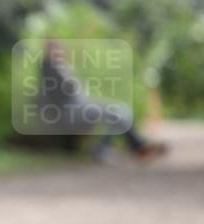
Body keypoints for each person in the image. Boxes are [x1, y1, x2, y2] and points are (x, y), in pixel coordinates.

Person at [39, 40, 168, 162]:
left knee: (120, 111)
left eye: (58, 49)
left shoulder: (62, 67)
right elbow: (66, 89)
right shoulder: (50, 67)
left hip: (81, 105)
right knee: (116, 112)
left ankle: (130, 146)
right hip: (71, 110)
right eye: (53, 49)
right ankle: (134, 146)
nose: (58, 52)